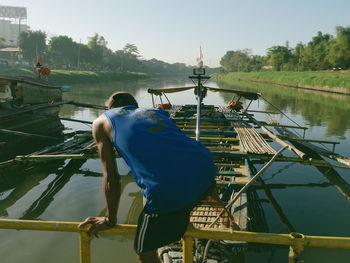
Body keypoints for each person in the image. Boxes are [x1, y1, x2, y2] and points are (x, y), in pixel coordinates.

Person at [78, 91, 218, 263]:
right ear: (133, 105)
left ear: (111, 104)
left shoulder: (101, 121)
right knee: (184, 198)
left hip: (167, 188)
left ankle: (179, 227)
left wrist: (110, 219)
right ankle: (185, 228)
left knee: (144, 251)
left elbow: (111, 178)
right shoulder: (156, 113)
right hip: (206, 168)